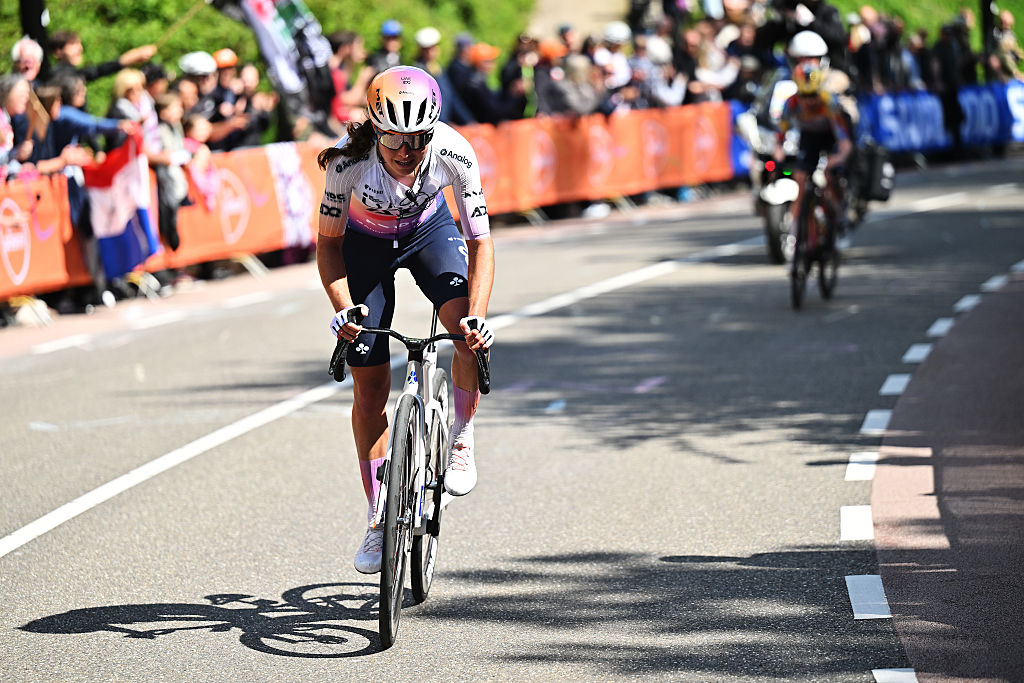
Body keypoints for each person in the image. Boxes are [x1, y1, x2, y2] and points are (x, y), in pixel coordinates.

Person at [315, 66, 495, 574]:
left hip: (429, 234)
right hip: (364, 245)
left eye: (417, 139)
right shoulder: (347, 163)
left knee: (464, 330)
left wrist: (477, 317)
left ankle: (461, 433)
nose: (406, 151)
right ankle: (379, 518)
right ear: (376, 128)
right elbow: (328, 245)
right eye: (394, 138)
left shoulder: (456, 152)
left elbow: (481, 241)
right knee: (369, 388)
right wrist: (343, 308)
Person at [775, 58, 853, 254]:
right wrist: (778, 150)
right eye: (804, 95)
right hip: (808, 140)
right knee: (799, 178)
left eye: (813, 95)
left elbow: (844, 140)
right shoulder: (791, 103)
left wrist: (838, 158)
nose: (809, 101)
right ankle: (795, 233)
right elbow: (781, 133)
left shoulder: (829, 103)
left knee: (830, 174)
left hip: (830, 139)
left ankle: (840, 218)